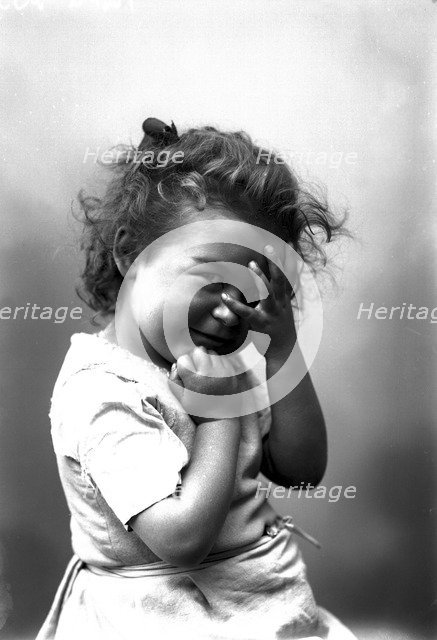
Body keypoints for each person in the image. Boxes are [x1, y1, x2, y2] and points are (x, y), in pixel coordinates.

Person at [36, 118, 357, 639]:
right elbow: (183, 541)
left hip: (258, 598)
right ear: (129, 255)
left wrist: (282, 354)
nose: (232, 313)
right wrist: (219, 414)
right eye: (212, 280)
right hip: (158, 615)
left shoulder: (220, 357)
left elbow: (301, 470)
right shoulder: (102, 390)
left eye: (249, 291)